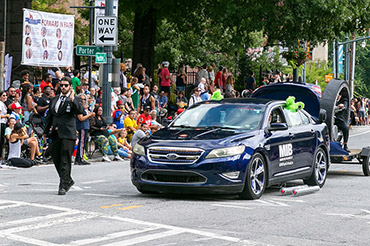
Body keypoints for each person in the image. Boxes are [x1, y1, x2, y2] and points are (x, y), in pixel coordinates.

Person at [43, 77, 83, 195]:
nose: (63, 87)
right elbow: (50, 116)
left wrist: (73, 100)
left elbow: (79, 111)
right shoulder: (55, 99)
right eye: (62, 85)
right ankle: (68, 179)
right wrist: (45, 132)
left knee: (65, 159)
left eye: (66, 85)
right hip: (55, 132)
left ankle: (63, 185)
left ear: (70, 86)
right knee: (56, 157)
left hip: (68, 132)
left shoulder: (75, 99)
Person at [75, 94, 95, 165]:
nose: (83, 101)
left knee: (83, 142)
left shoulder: (84, 108)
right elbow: (81, 118)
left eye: (84, 99)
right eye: (81, 99)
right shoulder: (79, 108)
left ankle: (78, 158)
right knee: (82, 142)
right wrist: (89, 115)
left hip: (86, 126)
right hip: (82, 126)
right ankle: (80, 158)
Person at [0, 91, 10, 159]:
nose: (5, 97)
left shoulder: (3, 104)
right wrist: (6, 115)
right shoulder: (0, 104)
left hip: (4, 123)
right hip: (1, 123)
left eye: (6, 95)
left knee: (3, 141)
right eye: (3, 95)